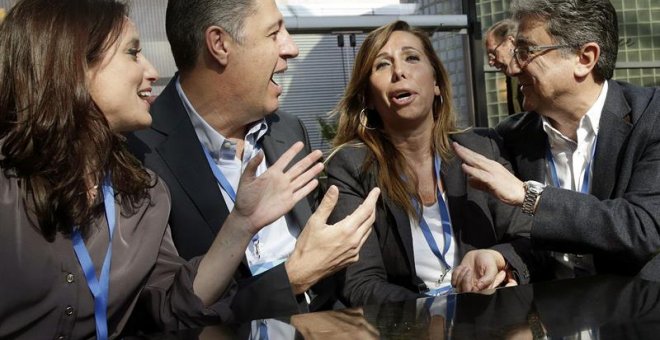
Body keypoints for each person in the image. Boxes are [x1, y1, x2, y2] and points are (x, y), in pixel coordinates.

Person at [0, 0, 380, 338]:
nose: (151, 71)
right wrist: (290, 277)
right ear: (72, 65)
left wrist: (242, 223)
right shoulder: (140, 155)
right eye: (133, 53)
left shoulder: (142, 191)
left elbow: (172, 301)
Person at [127, 0, 380, 322]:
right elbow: (162, 315)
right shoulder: (136, 154)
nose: (291, 49)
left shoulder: (287, 130)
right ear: (220, 44)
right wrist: (291, 279)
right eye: (274, 33)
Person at [451, 0, 660, 292]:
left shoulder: (652, 118)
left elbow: (641, 229)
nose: (514, 67)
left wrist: (530, 196)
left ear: (584, 58)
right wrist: (503, 257)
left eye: (526, 51)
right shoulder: (513, 137)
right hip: (549, 320)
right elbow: (531, 238)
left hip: (636, 316)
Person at [324, 20, 530, 307]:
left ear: (436, 82)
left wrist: (498, 258)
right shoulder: (350, 167)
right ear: (368, 97)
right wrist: (434, 315)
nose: (399, 71)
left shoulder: (483, 146)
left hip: (488, 317)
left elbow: (527, 240)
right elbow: (360, 284)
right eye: (382, 65)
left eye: (412, 57)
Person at [484, 19, 523, 115]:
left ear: (511, 42)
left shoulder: (536, 70)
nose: (490, 62)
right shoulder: (511, 77)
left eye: (493, 53)